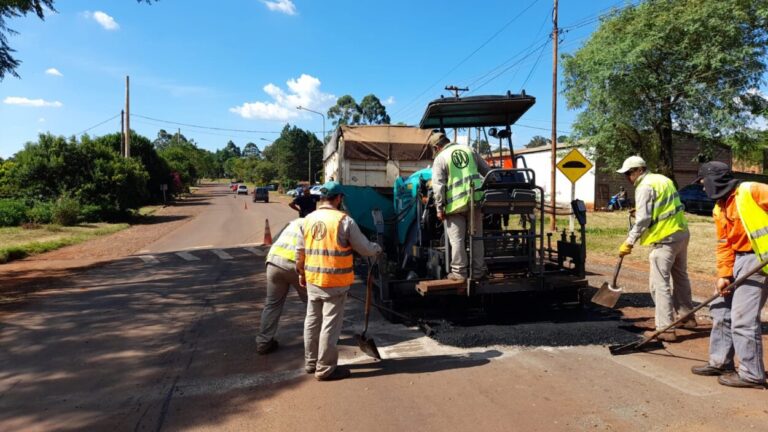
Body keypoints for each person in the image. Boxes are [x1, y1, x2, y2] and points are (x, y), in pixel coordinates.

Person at [690, 161, 768, 389]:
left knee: (743, 318)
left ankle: (752, 374)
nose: (703, 188)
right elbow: (724, 243)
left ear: (714, 180)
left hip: (759, 259)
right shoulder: (719, 207)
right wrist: (724, 274)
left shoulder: (752, 190)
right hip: (738, 260)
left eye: (704, 183)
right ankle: (721, 361)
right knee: (720, 308)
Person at [296, 181, 382, 381]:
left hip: (313, 279)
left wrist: (301, 273)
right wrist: (377, 249)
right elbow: (364, 248)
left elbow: (300, 252)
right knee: (330, 325)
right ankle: (325, 368)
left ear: (321, 198)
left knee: (312, 321)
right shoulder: (344, 220)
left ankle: (311, 362)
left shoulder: (307, 219)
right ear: (338, 198)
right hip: (334, 280)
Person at [616, 156, 695, 342]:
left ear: (639, 170)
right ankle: (687, 317)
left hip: (665, 239)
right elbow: (665, 206)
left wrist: (629, 241)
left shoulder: (644, 186)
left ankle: (665, 329)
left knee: (659, 284)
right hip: (681, 233)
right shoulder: (662, 179)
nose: (628, 177)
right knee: (681, 277)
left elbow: (643, 220)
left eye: (629, 173)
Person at [430, 130, 490, 282]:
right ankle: (478, 272)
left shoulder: (441, 158)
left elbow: (438, 186)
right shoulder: (470, 150)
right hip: (475, 201)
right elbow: (488, 173)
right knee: (477, 238)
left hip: (455, 206)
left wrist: (439, 208)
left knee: (457, 240)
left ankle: (459, 273)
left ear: (437, 147)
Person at [255, 218, 308, 355]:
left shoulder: (293, 222)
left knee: (272, 304)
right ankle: (320, 340)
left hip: (274, 262)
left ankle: (263, 342)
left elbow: (276, 240)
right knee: (313, 303)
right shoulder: (316, 226)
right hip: (294, 265)